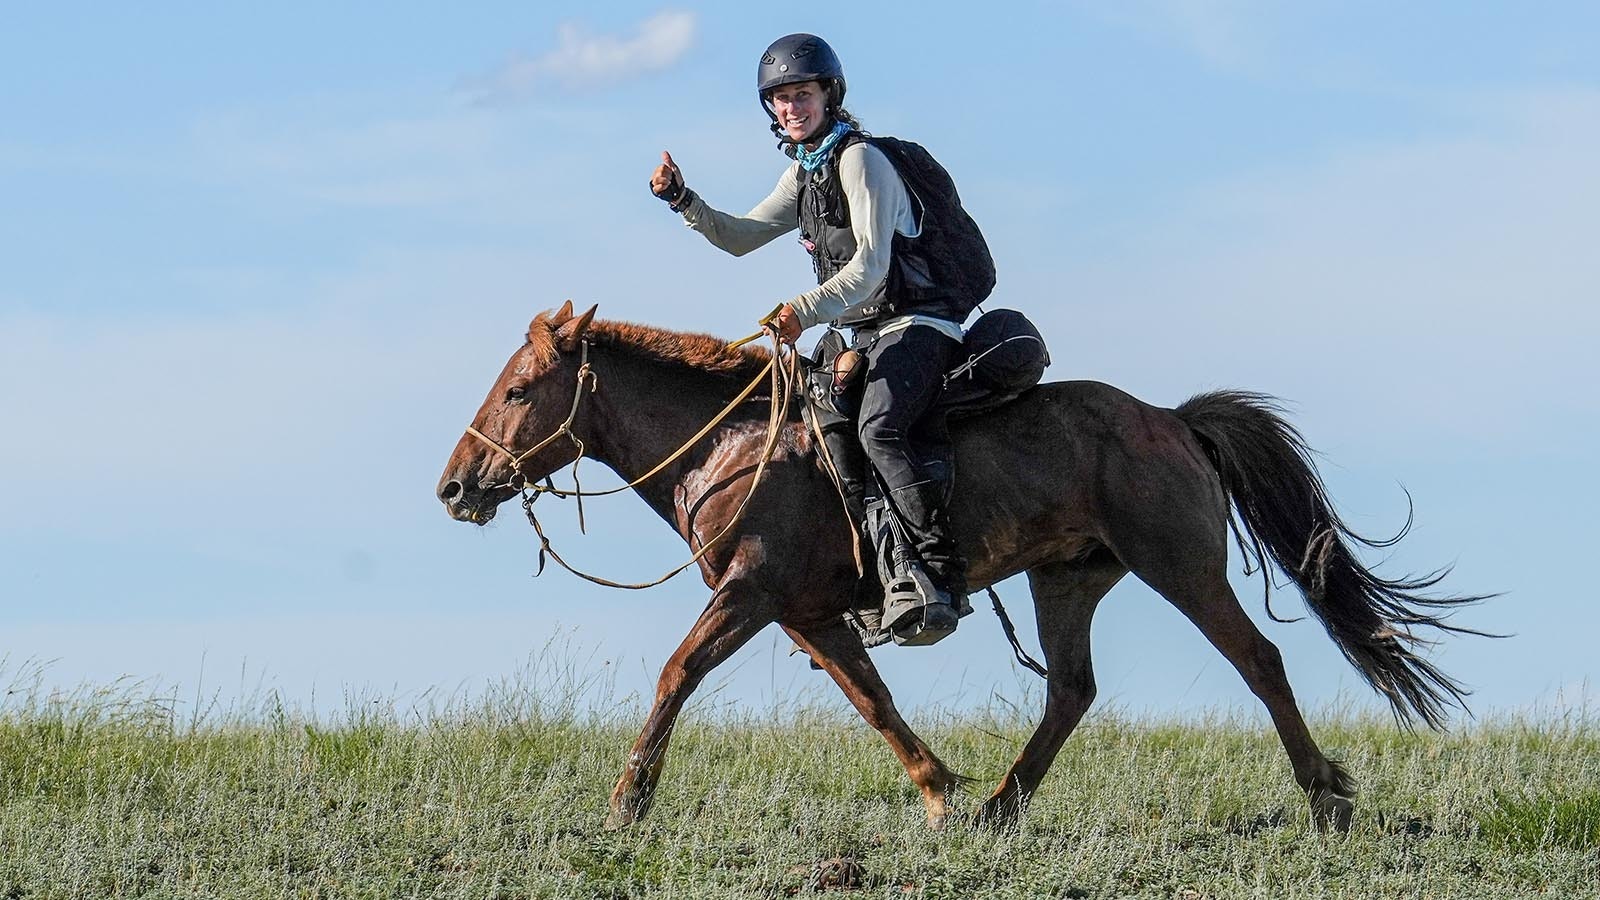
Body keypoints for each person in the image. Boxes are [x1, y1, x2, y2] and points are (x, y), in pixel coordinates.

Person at [648, 33, 992, 646]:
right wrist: (683, 200)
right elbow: (740, 235)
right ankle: (873, 576)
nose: (790, 108)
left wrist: (802, 311)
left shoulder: (860, 161)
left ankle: (938, 572)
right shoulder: (802, 175)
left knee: (879, 428)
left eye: (801, 94)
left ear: (829, 95)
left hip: (917, 324)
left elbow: (871, 269)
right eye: (779, 99)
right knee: (815, 434)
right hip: (858, 330)